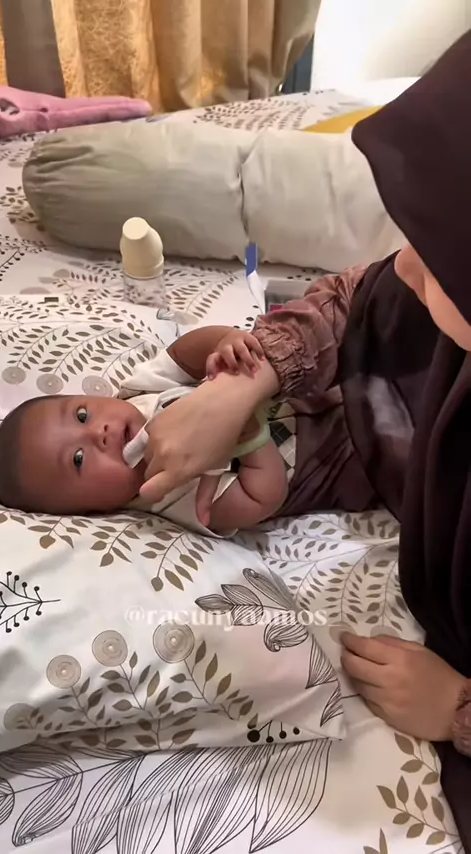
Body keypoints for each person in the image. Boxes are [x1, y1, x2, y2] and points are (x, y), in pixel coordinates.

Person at [132, 31, 471, 841]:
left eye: (443, 256)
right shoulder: (432, 312)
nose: (407, 267)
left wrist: (458, 710)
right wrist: (241, 383)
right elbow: (360, 295)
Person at [0, 325, 293, 534]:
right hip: (312, 459)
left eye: (82, 415)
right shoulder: (168, 497)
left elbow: (182, 355)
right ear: (95, 510)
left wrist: (223, 341)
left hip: (290, 387)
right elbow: (261, 498)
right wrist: (249, 435)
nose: (97, 433)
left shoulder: (138, 393)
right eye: (78, 459)